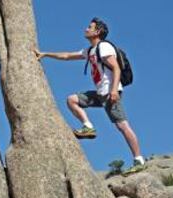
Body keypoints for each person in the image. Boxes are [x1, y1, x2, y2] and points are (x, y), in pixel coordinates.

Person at [34, 17, 145, 172]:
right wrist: (45, 54)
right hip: (100, 93)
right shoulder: (90, 50)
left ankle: (138, 160)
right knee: (72, 100)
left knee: (122, 125)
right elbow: (67, 56)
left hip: (109, 92)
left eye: (90, 27)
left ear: (97, 31)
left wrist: (113, 91)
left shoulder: (104, 47)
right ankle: (88, 127)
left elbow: (116, 68)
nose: (86, 29)